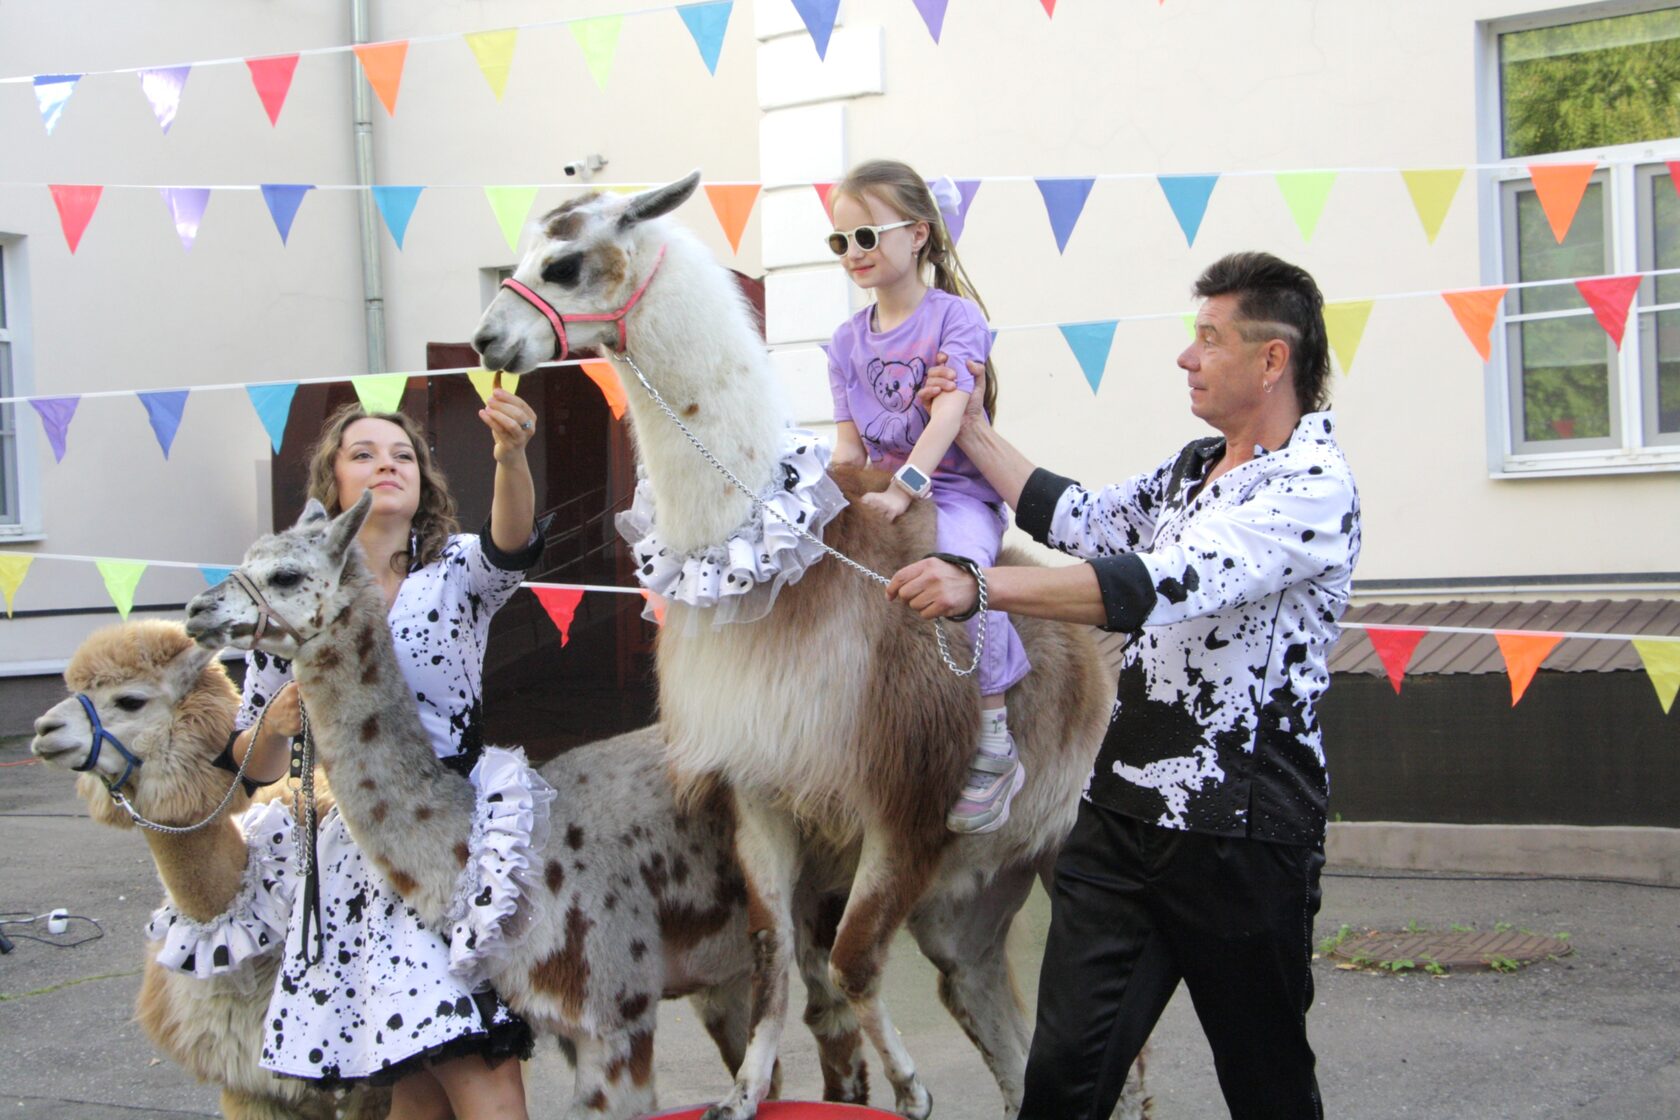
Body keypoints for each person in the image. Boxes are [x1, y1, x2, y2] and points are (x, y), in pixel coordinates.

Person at [888, 251, 1361, 1119]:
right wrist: (970, 427)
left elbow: (1152, 583)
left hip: (1240, 835)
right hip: (1120, 820)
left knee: (1267, 1087)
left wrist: (978, 585)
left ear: (1271, 360)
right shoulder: (1194, 467)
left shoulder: (1312, 491)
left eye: (1209, 338)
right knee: (1063, 1081)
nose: (1187, 356)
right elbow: (1082, 520)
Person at [220, 392, 542, 1119]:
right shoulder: (292, 594)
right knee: (445, 1081)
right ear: (333, 483)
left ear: (424, 481)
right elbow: (251, 766)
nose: (387, 465)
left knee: (454, 1075)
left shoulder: (456, 571)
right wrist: (276, 726)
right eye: (362, 454)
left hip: (454, 847)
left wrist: (511, 456)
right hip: (360, 860)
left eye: (403, 456)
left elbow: (511, 542)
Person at [824, 158, 1032, 834]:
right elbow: (849, 450)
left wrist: (907, 486)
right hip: (883, 489)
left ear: (917, 235)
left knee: (965, 577)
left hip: (955, 491)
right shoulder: (844, 343)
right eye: (841, 240)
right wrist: (820, 496)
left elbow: (950, 414)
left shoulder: (955, 318)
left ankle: (995, 738)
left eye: (867, 236)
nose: (853, 252)